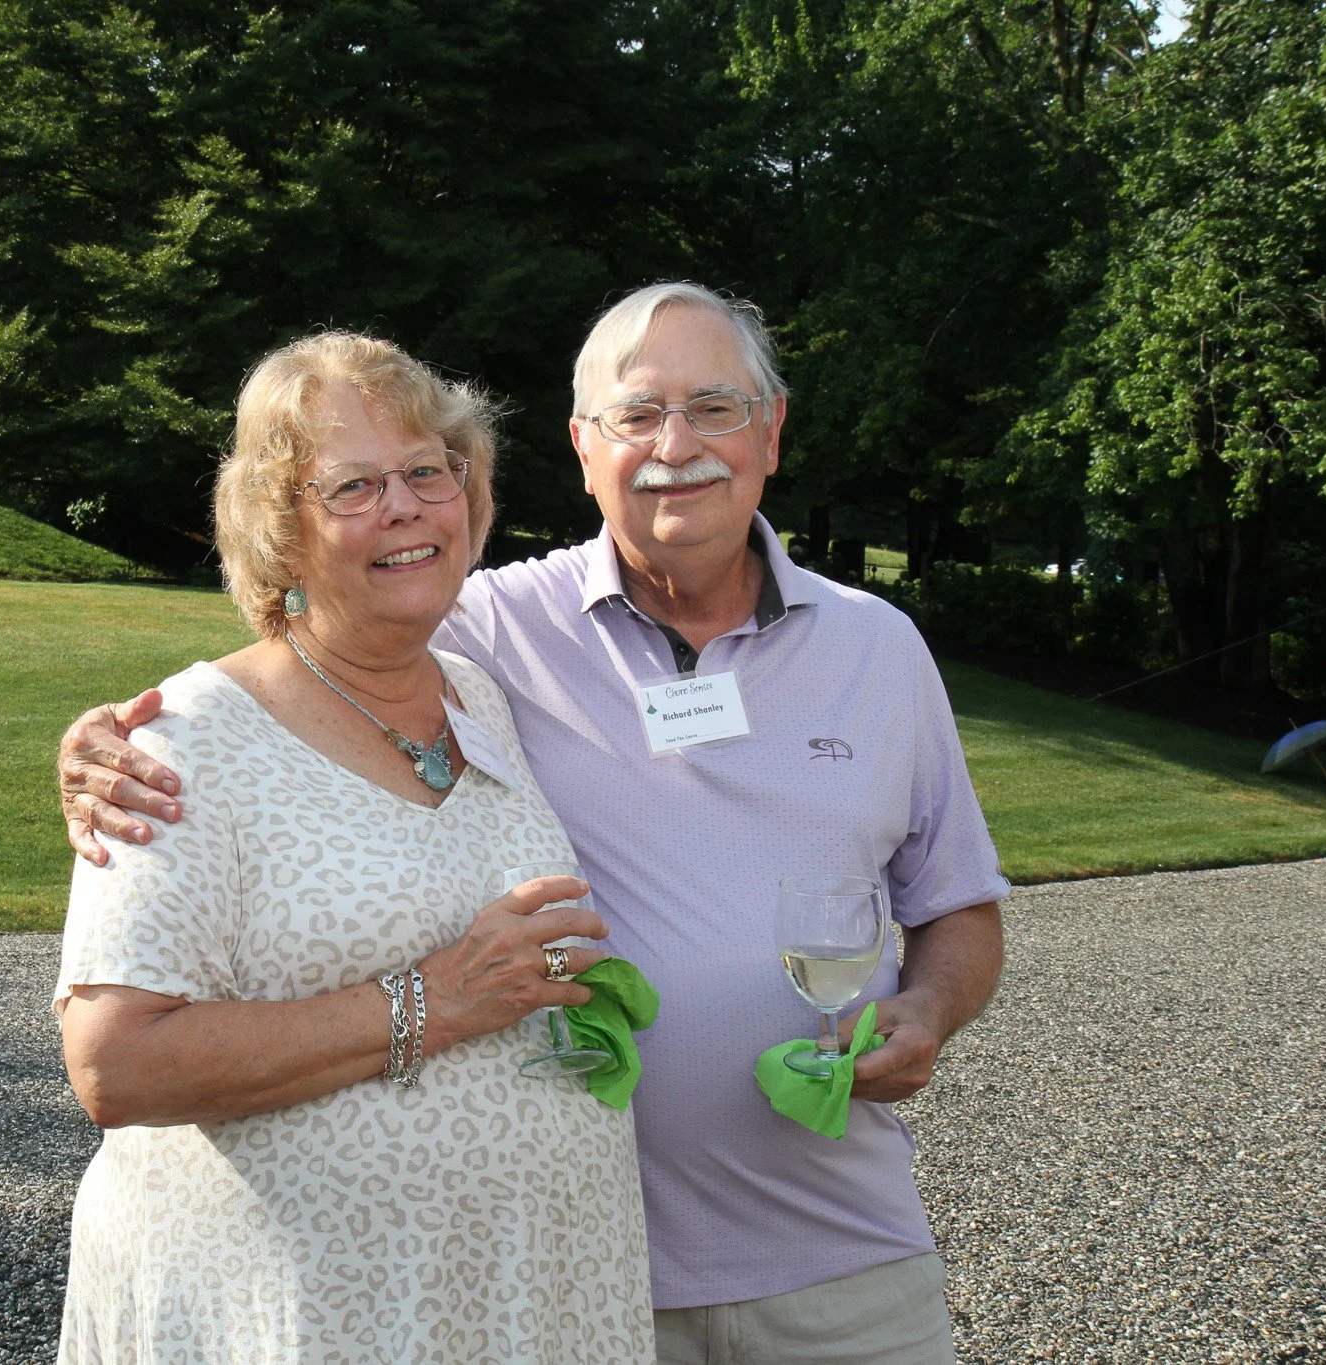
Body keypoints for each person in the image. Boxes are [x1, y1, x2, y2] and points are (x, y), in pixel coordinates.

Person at [57, 283, 1010, 1364]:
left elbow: (957, 903)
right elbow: (298, 654)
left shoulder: (874, 648)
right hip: (575, 1286)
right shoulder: (486, 626)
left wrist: (928, 1006)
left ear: (771, 430)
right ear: (580, 445)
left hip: (835, 1256)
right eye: (635, 415)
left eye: (713, 408)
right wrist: (108, 742)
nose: (675, 447)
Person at [52, 331, 656, 1363]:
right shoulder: (181, 747)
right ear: (277, 529)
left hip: (524, 1301)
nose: (405, 507)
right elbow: (117, 1064)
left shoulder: (478, 695)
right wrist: (430, 1001)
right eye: (351, 487)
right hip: (311, 1319)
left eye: (428, 470)